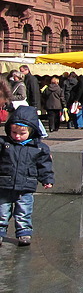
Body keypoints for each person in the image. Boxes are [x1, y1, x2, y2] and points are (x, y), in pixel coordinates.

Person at [0, 105, 54, 246]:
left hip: (26, 186)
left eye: (21, 133)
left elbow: (44, 166)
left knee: (23, 211)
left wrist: (47, 179)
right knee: (2, 211)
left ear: (31, 132)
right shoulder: (4, 144)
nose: (17, 136)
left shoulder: (39, 148)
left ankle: (24, 233)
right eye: (14, 132)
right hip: (4, 184)